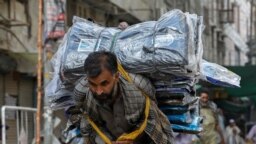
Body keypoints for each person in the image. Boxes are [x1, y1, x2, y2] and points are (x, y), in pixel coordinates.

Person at [72, 51, 174, 144]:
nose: (98, 91)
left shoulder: (138, 89)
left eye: (104, 84)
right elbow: (91, 126)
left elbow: (150, 122)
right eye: (93, 84)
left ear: (116, 77)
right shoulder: (84, 96)